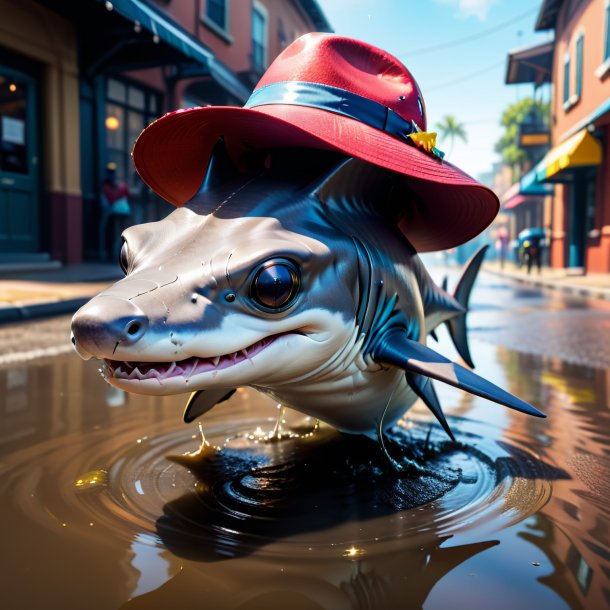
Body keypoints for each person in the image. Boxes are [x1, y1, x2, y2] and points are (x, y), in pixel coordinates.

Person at [100, 162, 131, 261]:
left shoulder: (111, 185)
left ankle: (116, 255)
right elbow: (116, 196)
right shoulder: (111, 185)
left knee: (117, 234)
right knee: (117, 234)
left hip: (115, 213)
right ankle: (115, 255)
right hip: (114, 213)